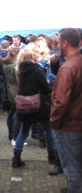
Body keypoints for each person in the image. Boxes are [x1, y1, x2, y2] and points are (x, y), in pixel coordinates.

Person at [11, 46, 62, 176]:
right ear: (33, 57)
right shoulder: (37, 70)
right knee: (48, 130)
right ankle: (52, 156)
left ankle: (16, 158)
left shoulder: (20, 70)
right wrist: (49, 84)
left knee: (24, 131)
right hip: (39, 105)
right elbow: (45, 89)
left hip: (24, 106)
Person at [51, 28, 82, 193]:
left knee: (72, 165)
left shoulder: (68, 67)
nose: (57, 45)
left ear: (65, 43)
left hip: (69, 124)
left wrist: (55, 122)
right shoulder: (73, 64)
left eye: (59, 42)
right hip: (76, 121)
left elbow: (60, 100)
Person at [3, 48, 22, 145]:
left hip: (10, 92)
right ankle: (15, 136)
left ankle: (11, 135)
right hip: (16, 92)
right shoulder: (15, 67)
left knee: (11, 113)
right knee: (16, 114)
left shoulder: (6, 65)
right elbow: (18, 81)